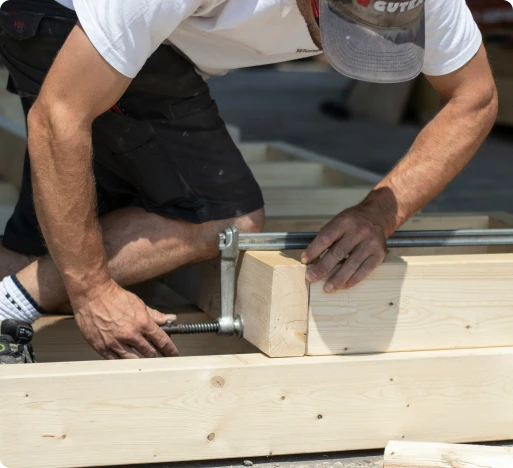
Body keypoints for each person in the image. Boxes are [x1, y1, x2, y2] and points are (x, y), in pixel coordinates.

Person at [0, 0, 497, 364]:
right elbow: (58, 117)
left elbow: (474, 97)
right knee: (221, 212)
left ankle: (12, 286)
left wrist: (381, 213)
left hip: (140, 36)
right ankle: (10, 307)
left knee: (71, 222)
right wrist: (92, 294)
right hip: (64, 15)